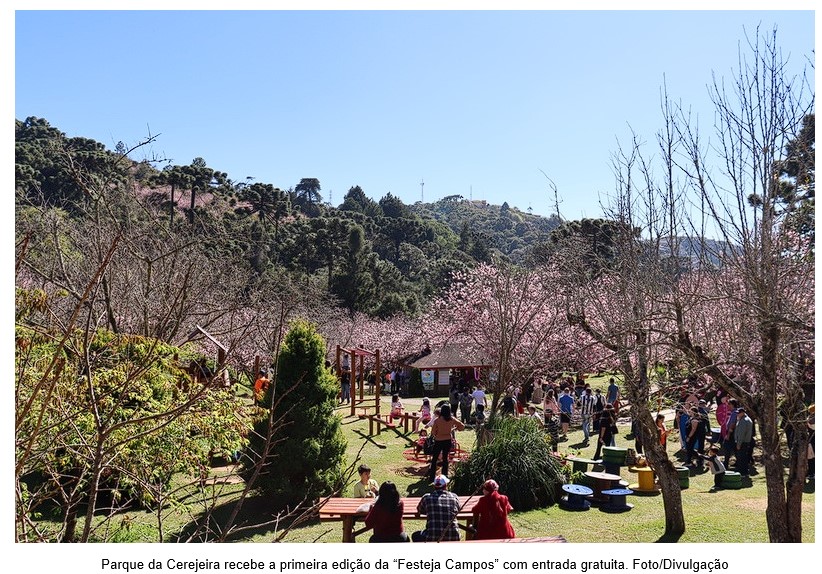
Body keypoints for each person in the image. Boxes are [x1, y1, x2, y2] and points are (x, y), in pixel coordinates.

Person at [412, 475, 461, 542]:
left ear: (434, 486)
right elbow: (458, 509)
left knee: (415, 535)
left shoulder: (426, 498)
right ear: (446, 485)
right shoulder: (454, 497)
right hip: (453, 537)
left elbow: (420, 510)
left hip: (431, 537)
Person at [428, 404, 465, 482]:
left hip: (438, 440)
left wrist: (438, 433)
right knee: (445, 458)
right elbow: (462, 426)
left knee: (434, 459)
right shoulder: (451, 419)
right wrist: (454, 429)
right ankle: (445, 476)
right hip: (448, 440)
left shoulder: (437, 420)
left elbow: (433, 432)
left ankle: (431, 477)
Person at [734, 407, 754, 476]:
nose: (737, 415)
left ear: (742, 413)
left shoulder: (744, 421)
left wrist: (738, 444)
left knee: (742, 458)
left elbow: (741, 434)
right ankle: (743, 471)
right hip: (745, 442)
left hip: (742, 442)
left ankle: (742, 472)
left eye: (738, 413)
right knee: (744, 457)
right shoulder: (745, 419)